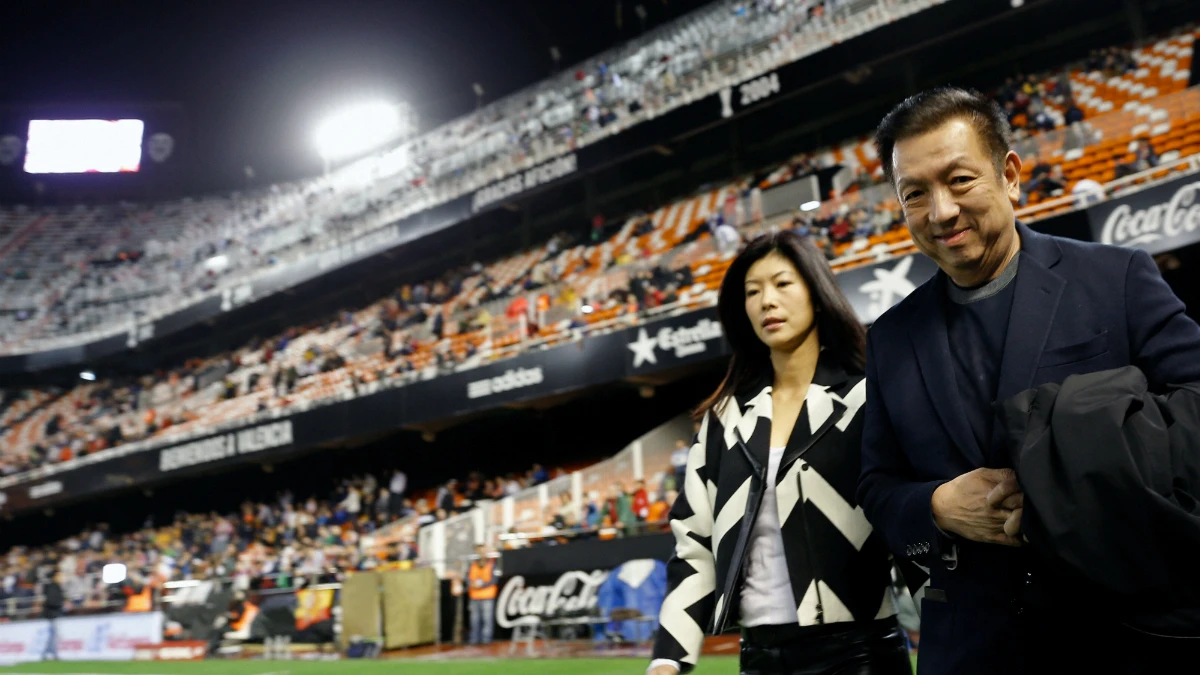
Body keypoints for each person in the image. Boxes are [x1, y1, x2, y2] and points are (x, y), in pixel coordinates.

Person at [857, 87, 1200, 675]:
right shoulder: (889, 337)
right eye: (915, 194)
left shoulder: (1116, 278)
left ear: (1009, 175)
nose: (940, 211)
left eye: (959, 180)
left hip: (1124, 639)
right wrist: (936, 507)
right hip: (967, 651)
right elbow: (877, 485)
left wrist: (1065, 476)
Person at [649, 231, 910, 675]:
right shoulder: (725, 418)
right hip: (759, 656)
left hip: (861, 654)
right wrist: (667, 661)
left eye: (783, 284)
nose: (767, 301)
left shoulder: (866, 397)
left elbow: (911, 520)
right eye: (753, 292)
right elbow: (693, 544)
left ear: (817, 291)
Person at [467, 544, 499, 646]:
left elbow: (494, 579)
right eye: (479, 551)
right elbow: (467, 578)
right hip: (475, 596)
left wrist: (482, 585)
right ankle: (474, 640)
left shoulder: (492, 564)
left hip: (487, 596)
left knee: (487, 620)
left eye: (483, 551)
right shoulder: (472, 564)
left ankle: (486, 641)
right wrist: (471, 583)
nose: (481, 553)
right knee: (474, 620)